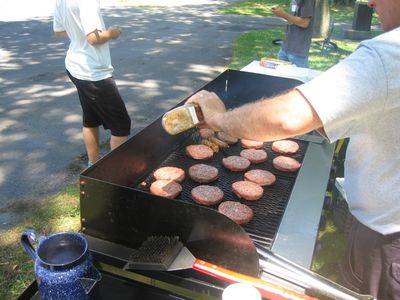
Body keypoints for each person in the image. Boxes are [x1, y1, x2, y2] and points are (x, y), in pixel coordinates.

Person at [186, 0, 400, 298]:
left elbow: (288, 116)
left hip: (389, 241)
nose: (371, 2)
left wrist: (220, 118)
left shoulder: (391, 52)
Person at [53, 0, 131, 167]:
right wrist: (112, 33)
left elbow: (58, 31)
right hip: (93, 73)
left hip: (76, 67)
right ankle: (117, 177)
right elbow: (94, 38)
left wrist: (78, 33)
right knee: (121, 125)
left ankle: (93, 164)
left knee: (91, 118)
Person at [271, 0, 315, 68]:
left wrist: (283, 14)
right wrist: (281, 14)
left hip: (298, 52)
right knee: (281, 77)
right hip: (285, 48)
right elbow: (292, 18)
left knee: (298, 77)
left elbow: (304, 23)